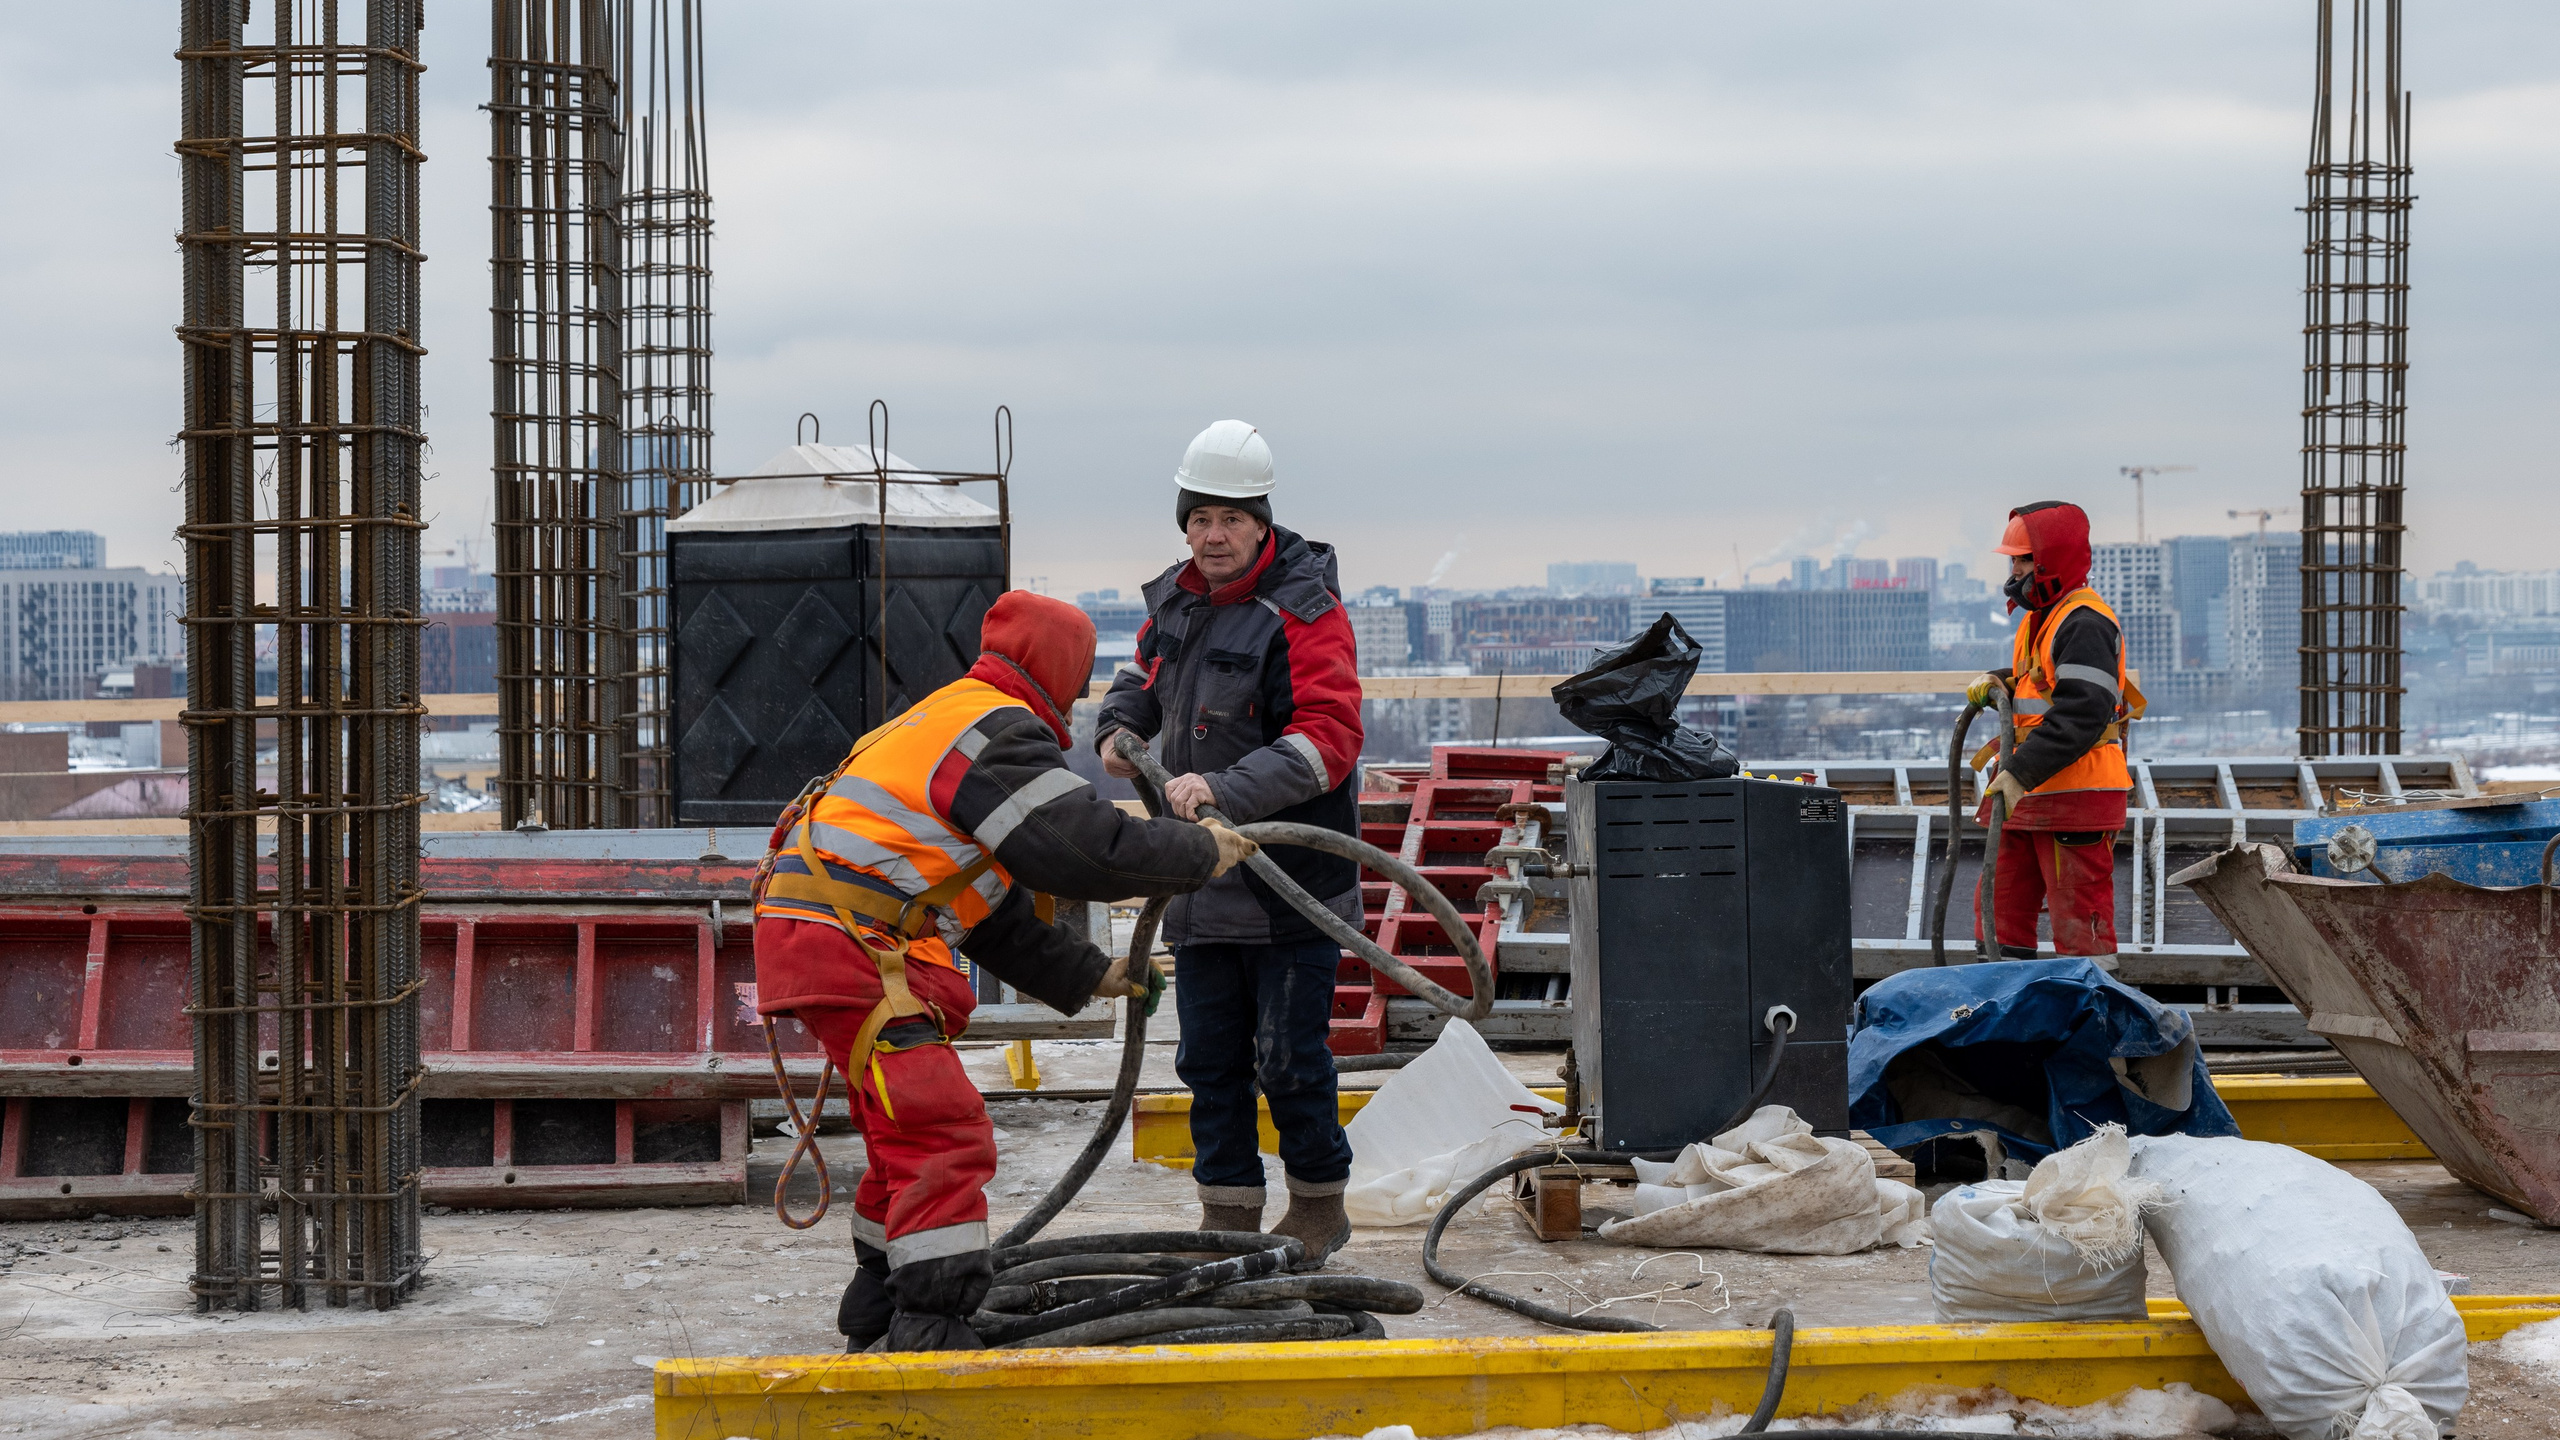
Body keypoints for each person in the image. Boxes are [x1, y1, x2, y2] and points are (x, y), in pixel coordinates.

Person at [751, 590, 1259, 1354]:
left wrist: (1096, 974)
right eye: (1080, 679)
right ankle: (931, 1331)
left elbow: (985, 908)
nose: (1081, 699)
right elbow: (1085, 846)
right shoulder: (993, 731)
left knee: (902, 1132)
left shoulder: (940, 718)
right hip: (853, 942)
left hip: (824, 935)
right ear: (1057, 671)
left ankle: (876, 1307)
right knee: (941, 1131)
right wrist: (1198, 854)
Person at [1094, 420, 1366, 1265]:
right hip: (1198, 882)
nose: (1212, 536)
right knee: (1208, 1062)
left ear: (1262, 522)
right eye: (1199, 519)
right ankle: (1228, 1219)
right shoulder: (1175, 601)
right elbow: (1140, 679)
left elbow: (1330, 736)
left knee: (1290, 1062)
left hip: (1291, 884)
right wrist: (1117, 727)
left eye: (1230, 520)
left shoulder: (1304, 613)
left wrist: (1224, 788)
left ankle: (1318, 1206)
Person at [1966, 500, 2139, 968]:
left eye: (2023, 559)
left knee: (2079, 919)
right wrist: (2002, 679)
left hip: (2074, 796)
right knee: (1999, 908)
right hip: (2030, 791)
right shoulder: (2044, 617)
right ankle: (2004, 1011)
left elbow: (2083, 711)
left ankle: (2093, 1015)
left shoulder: (2086, 622)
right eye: (2013, 560)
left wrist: (2020, 772)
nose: (2014, 570)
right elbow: (2043, 682)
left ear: (2049, 563)